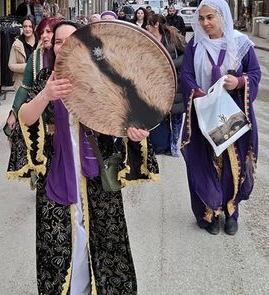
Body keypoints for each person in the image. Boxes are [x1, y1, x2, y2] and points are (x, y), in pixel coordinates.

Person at [9, 21, 159, 295]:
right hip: (57, 177)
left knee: (105, 244)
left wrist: (134, 134)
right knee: (59, 246)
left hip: (97, 181)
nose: (63, 45)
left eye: (71, 39)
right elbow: (25, 119)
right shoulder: (45, 78)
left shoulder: (103, 79)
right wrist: (46, 95)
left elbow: (126, 122)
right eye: (57, 41)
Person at [180, 0, 261, 236]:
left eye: (210, 17)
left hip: (233, 113)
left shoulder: (241, 43)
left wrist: (240, 82)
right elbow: (186, 76)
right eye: (202, 18)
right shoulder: (195, 46)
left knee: (232, 163)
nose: (205, 23)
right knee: (205, 163)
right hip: (203, 112)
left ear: (223, 17)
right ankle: (209, 213)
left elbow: (254, 73)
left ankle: (231, 211)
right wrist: (198, 93)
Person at [4, 17, 60, 138]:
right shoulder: (35, 57)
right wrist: (13, 113)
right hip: (40, 116)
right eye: (41, 32)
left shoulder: (70, 56)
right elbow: (25, 87)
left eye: (49, 32)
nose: (44, 36)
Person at [146, 14, 186, 156]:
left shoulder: (172, 37)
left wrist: (169, 64)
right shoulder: (146, 39)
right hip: (155, 85)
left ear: (156, 25)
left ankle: (174, 145)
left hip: (174, 82)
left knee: (175, 115)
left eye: (149, 24)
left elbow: (186, 56)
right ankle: (159, 144)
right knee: (159, 114)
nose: (147, 27)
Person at [8, 15, 37, 89]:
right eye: (25, 26)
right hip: (22, 84)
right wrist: (27, 67)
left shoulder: (40, 42)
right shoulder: (17, 44)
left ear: (34, 27)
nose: (27, 29)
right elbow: (11, 65)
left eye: (30, 26)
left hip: (39, 83)